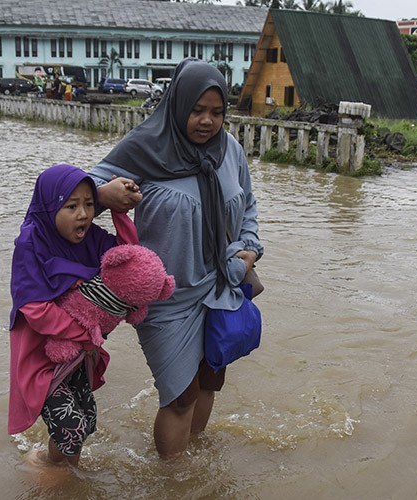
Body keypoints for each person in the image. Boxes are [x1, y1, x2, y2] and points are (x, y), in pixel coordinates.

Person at [90, 58, 263, 459]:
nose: (207, 122)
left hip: (221, 284)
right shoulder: (146, 147)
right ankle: (171, 479)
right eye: (197, 110)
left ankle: (192, 465)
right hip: (164, 298)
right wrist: (104, 196)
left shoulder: (229, 149)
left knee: (208, 381)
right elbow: (79, 193)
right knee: (179, 395)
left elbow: (249, 204)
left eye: (217, 113)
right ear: (177, 104)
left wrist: (250, 247)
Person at [8, 164, 141, 467]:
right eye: (71, 206)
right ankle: (48, 469)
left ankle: (56, 464)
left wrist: (119, 212)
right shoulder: (30, 243)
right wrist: (86, 333)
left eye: (90, 204)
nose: (83, 214)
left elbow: (129, 260)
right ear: (49, 206)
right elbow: (35, 310)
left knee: (85, 420)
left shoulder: (91, 237)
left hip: (80, 353)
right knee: (70, 429)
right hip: (41, 353)